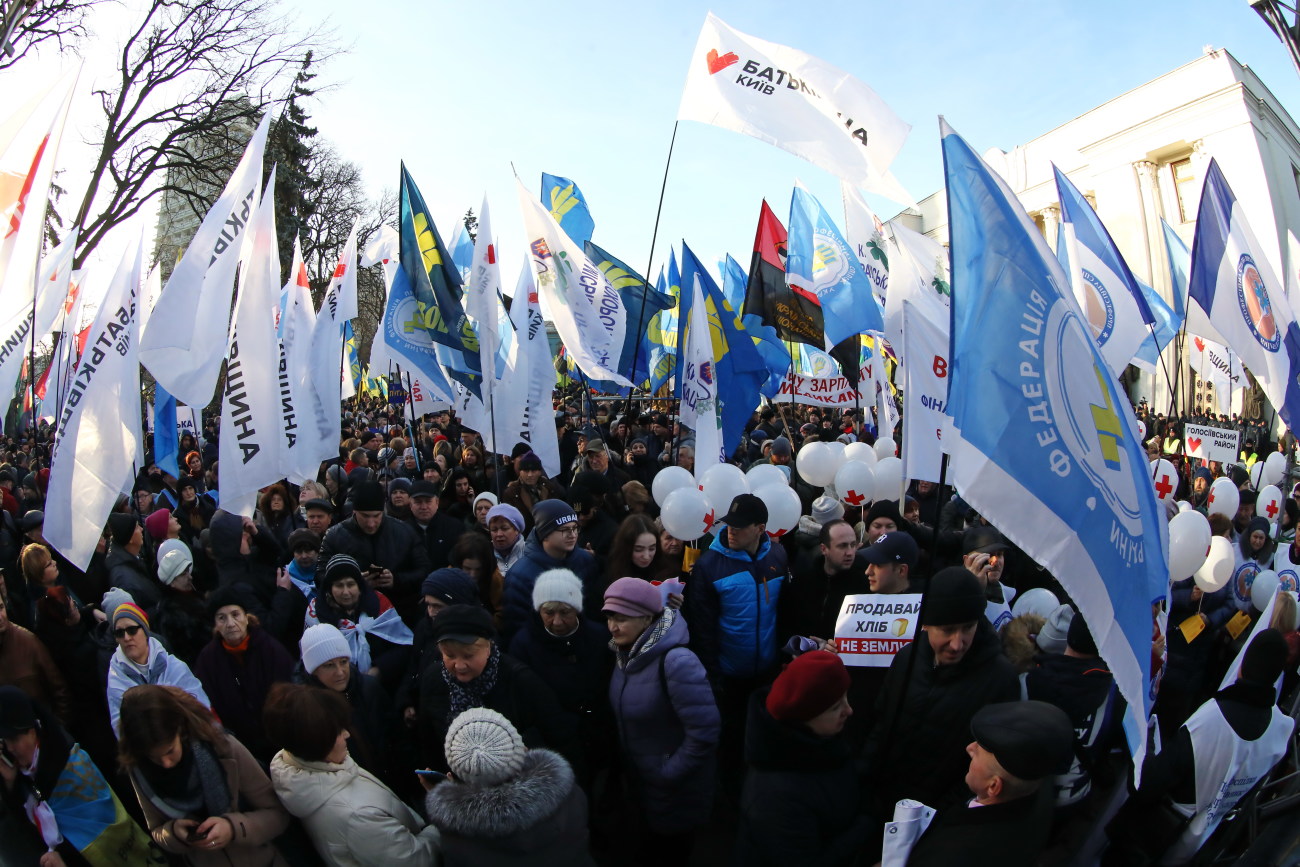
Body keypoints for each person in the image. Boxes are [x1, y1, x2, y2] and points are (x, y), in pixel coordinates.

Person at [1107, 629, 1296, 865]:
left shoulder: (1212, 719)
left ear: (1242, 665)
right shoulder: (1282, 728)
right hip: (1207, 841)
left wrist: (1145, 744)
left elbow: (1146, 783)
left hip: (1149, 839)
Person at [861, 567, 1020, 816]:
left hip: (934, 816)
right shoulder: (906, 659)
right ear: (926, 625)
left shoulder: (1001, 680)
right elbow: (881, 725)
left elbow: (988, 767)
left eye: (968, 627)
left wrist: (942, 816)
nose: (957, 644)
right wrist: (864, 778)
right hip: (877, 801)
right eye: (947, 630)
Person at [604, 577, 719, 861]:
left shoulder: (677, 661)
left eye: (622, 619)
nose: (613, 627)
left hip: (674, 792)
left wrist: (667, 772)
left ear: (646, 618)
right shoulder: (625, 653)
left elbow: (705, 732)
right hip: (640, 786)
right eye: (609, 618)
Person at [265, 683, 440, 866]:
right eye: (338, 732)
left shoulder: (304, 764)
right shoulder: (357, 816)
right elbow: (417, 860)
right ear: (318, 743)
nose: (347, 734)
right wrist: (445, 815)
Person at [117, 685, 290, 866]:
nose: (166, 763)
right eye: (154, 757)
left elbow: (277, 814)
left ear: (180, 729)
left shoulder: (224, 748)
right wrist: (175, 834)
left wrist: (233, 829)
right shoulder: (139, 772)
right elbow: (156, 831)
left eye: (170, 751)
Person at [733, 651, 870, 866]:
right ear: (803, 719)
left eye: (845, 697)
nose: (849, 710)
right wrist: (865, 825)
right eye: (836, 708)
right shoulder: (774, 798)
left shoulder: (819, 739)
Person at [0, 685, 156, 866]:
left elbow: (98, 836)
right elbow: (27, 836)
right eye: (5, 741)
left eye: (15, 739)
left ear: (33, 730)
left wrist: (64, 857)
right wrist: (10, 786)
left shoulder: (72, 767)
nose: (11, 748)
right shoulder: (23, 778)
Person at [905, 701, 1075, 865]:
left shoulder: (952, 854)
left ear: (993, 787)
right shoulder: (1036, 781)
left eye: (979, 751)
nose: (970, 748)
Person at [424, 708, 595, 867]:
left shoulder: (457, 835)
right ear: (520, 749)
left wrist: (451, 800)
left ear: (456, 772)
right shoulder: (565, 791)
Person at [417, 603, 575, 774]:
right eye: (450, 656)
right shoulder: (434, 680)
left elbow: (561, 739)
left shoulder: (521, 681)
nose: (459, 665)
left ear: (488, 648)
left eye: (468, 655)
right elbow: (428, 741)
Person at [507, 568, 612, 787]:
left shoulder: (600, 637)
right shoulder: (523, 645)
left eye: (565, 612)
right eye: (548, 612)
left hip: (599, 735)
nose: (556, 621)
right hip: (553, 742)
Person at [193, 585, 295, 763]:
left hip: (280, 742)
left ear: (247, 618)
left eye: (235, 614)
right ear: (215, 624)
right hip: (239, 750)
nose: (230, 624)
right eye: (222, 618)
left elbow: (290, 694)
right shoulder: (207, 661)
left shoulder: (270, 649)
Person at [318, 480, 431, 621]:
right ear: (354, 511)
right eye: (365, 516)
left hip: (400, 613)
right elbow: (321, 576)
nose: (371, 523)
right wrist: (354, 582)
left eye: (376, 516)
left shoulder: (405, 532)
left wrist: (396, 580)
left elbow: (424, 570)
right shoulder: (334, 536)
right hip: (351, 616)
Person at [500, 500, 602, 646]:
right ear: (545, 534)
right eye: (564, 530)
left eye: (574, 528)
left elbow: (593, 610)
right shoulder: (520, 575)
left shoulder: (586, 561)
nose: (572, 535)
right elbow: (516, 626)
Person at [295, 623, 390, 779]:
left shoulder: (368, 688)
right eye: (329, 665)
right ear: (313, 671)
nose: (340, 672)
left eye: (344, 662)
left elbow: (395, 737)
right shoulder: (308, 710)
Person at [105, 601, 210, 735]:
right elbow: (120, 729)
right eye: (119, 632)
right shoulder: (116, 679)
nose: (126, 638)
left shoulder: (174, 666)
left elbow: (201, 707)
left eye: (132, 630)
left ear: (145, 631)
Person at [0, 591, 71, 721]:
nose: (0, 617)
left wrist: (58, 727)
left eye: (0, 608)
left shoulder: (28, 641)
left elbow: (59, 690)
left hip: (44, 730)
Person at [406, 480, 465, 572]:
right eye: (418, 502)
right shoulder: (402, 531)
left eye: (428, 501)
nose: (424, 507)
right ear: (410, 504)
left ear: (437, 502)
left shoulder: (454, 528)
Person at [486, 503, 527, 579]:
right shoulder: (485, 555)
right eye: (494, 530)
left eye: (504, 528)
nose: (499, 534)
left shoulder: (529, 553)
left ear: (516, 530)